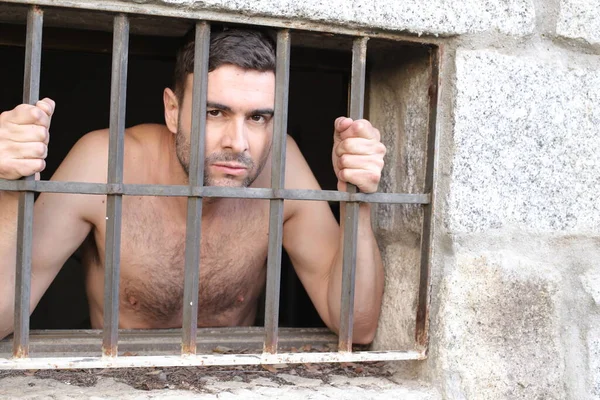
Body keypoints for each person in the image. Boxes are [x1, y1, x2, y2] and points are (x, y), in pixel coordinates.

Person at [0, 29, 386, 343]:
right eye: (214, 112)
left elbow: (357, 325)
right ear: (172, 110)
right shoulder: (104, 161)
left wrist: (358, 197)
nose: (238, 142)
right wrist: (10, 185)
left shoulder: (282, 167)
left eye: (258, 118)